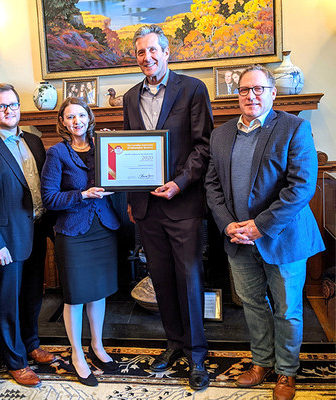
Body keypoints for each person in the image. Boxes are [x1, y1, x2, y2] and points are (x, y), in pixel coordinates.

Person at [204, 65, 325, 400]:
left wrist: (259, 226)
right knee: (252, 304)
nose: (251, 96)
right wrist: (228, 223)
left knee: (287, 310)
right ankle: (262, 362)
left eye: (258, 89)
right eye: (244, 90)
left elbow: (301, 188)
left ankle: (286, 372)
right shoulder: (221, 134)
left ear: (273, 93)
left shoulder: (294, 128)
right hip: (237, 239)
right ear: (237, 95)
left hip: (282, 239)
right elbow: (212, 186)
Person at [123, 24, 213, 390]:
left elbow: (203, 147)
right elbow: (130, 151)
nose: (147, 57)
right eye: (141, 52)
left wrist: (179, 183)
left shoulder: (192, 89)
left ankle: (196, 354)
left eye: (153, 51)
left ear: (166, 52)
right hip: (146, 208)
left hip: (183, 203)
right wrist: (132, 200)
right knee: (160, 279)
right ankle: (174, 343)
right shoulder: (130, 97)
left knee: (189, 279)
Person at [0, 83, 56, 388]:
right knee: (7, 301)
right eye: (2, 106)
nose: (9, 111)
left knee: (33, 294)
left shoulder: (34, 141)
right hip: (5, 239)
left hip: (36, 230)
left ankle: (31, 344)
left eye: (13, 105)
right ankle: (15, 361)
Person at [40, 97, 120, 387]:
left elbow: (120, 176)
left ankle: (97, 347)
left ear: (90, 117)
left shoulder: (103, 146)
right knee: (75, 296)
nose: (77, 121)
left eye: (81, 115)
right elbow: (49, 198)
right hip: (73, 232)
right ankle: (77, 355)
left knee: (98, 293)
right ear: (62, 122)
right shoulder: (57, 153)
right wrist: (83, 194)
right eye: (70, 117)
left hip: (103, 227)